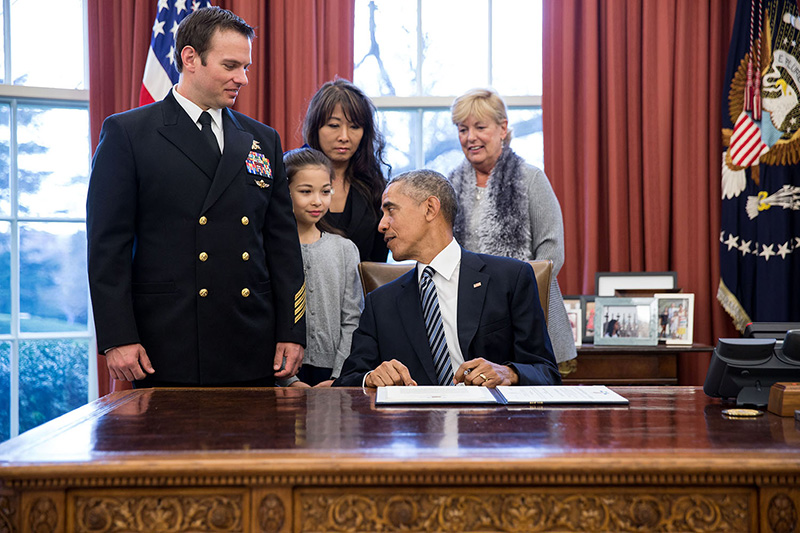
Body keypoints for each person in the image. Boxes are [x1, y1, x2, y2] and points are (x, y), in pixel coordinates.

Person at [87, 7, 305, 387]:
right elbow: (108, 248)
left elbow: (283, 244)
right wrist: (118, 336)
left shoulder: (261, 138)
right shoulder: (129, 133)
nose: (243, 78)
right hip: (169, 342)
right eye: (231, 65)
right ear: (190, 58)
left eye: (247, 67)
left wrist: (292, 330)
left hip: (251, 338)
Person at [333, 170, 561, 388]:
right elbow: (348, 380)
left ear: (430, 208)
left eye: (391, 210)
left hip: (493, 423)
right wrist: (371, 377)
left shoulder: (510, 278)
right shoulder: (380, 302)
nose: (381, 225)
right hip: (416, 424)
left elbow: (546, 372)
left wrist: (508, 373)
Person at [447, 88, 578, 372]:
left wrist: (508, 299)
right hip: (468, 323)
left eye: (480, 127)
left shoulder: (531, 179)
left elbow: (551, 252)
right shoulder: (449, 186)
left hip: (530, 320)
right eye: (463, 129)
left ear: (503, 128)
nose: (471, 137)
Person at [282, 147, 364, 387]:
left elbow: (353, 318)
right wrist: (289, 381)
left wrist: (338, 376)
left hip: (334, 374)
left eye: (325, 191)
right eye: (306, 191)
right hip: (282, 372)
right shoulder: (269, 249)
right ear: (284, 192)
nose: (317, 200)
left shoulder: (345, 249)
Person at [302, 79, 389, 262]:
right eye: (334, 125)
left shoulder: (374, 184)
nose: (344, 137)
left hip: (362, 289)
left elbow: (378, 259)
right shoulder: (289, 174)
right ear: (315, 127)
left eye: (355, 127)